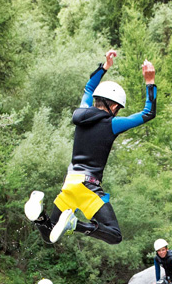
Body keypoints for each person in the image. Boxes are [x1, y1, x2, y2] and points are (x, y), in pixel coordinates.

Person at [25, 50, 157, 245]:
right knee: (114, 235)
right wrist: (150, 81)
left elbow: (88, 88)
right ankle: (76, 225)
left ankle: (39, 216)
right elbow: (148, 113)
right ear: (113, 107)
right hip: (88, 186)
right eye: (118, 109)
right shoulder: (112, 124)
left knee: (50, 235)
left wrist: (105, 66)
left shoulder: (82, 113)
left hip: (70, 183)